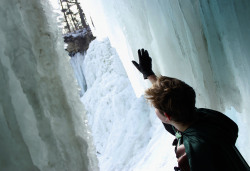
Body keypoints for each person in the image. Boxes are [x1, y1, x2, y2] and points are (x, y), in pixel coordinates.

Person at [132, 49, 250, 171]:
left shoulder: (192, 153)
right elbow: (175, 100)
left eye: (155, 107)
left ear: (167, 116)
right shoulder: (208, 117)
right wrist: (150, 76)